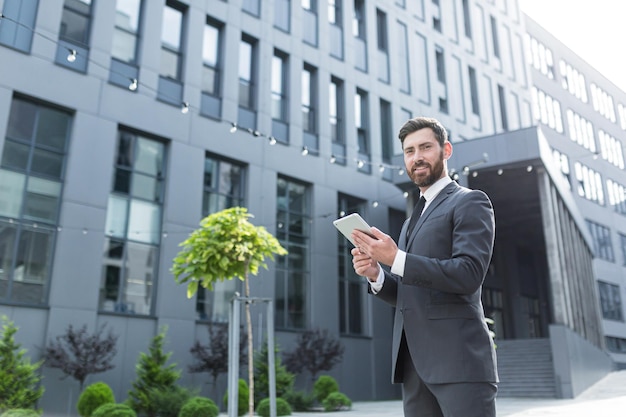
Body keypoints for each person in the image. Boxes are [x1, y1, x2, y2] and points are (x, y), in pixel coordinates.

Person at [350, 116, 498, 417]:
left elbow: (468, 275)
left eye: (425, 147)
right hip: (414, 367)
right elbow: (412, 293)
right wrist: (377, 274)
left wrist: (395, 259)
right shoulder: (409, 222)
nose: (416, 157)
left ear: (446, 150)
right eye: (409, 151)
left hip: (459, 364)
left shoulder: (470, 202)